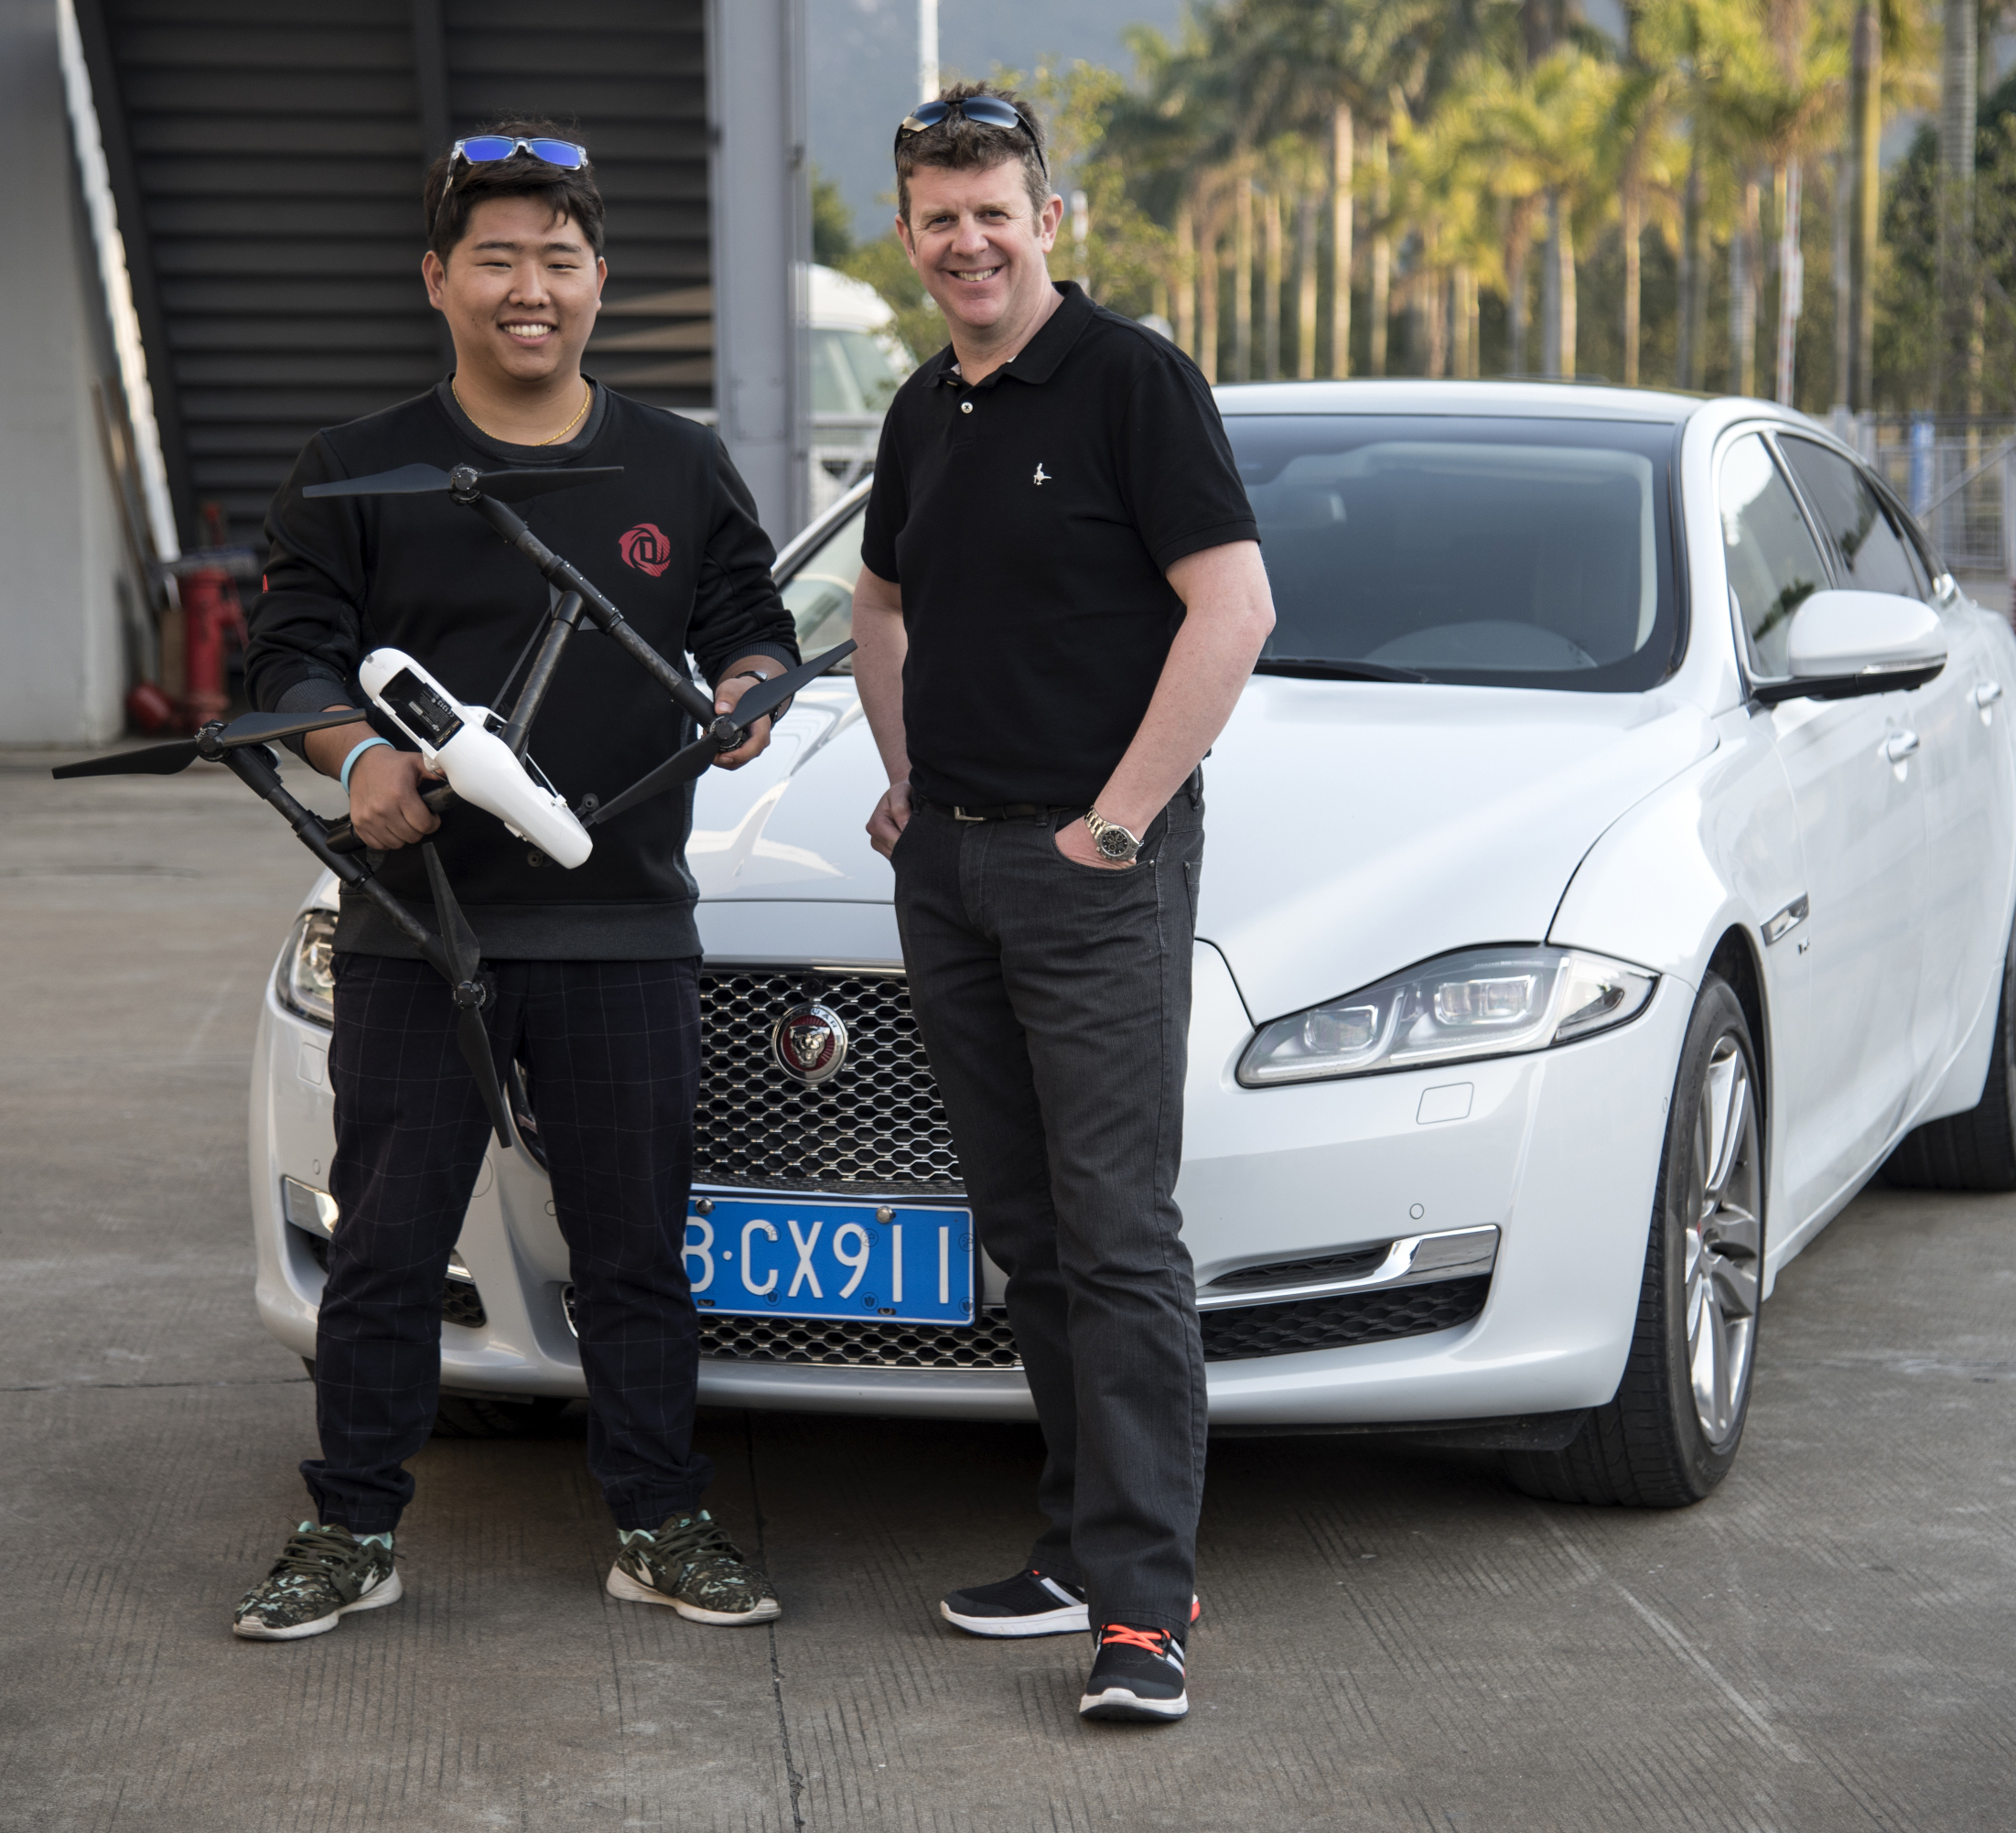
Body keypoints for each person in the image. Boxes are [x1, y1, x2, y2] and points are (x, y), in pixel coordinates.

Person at [231, 122, 800, 1640]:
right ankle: (352, 1527)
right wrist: (362, 758)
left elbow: (753, 623)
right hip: (419, 926)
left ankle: (659, 1521)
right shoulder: (351, 469)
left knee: (634, 1249)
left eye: (559, 258)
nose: (529, 287)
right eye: (496, 259)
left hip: (623, 922)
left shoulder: (676, 461)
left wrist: (748, 695)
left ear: (601, 278)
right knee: (386, 1244)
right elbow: (288, 661)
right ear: (437, 279)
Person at [848, 84, 1277, 1723]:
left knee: (1116, 1236)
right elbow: (877, 606)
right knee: (1025, 1236)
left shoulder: (1131, 382)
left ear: (1048, 220)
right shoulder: (922, 409)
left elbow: (1233, 609)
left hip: (1091, 874)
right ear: (910, 238)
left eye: (993, 213)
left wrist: (1117, 822)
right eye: (939, 219)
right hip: (951, 868)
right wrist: (903, 776)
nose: (968, 242)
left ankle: (1145, 1610)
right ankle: (1075, 1551)